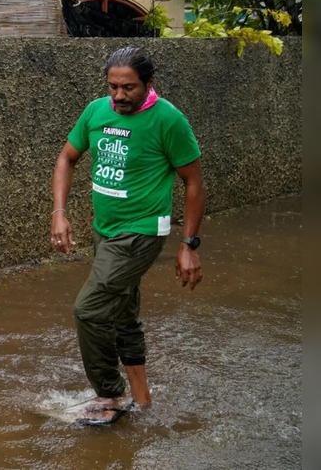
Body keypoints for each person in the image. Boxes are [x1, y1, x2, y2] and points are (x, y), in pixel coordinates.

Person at [50, 46, 206, 426]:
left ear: (149, 83)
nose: (119, 96)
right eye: (113, 87)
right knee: (122, 315)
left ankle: (110, 392)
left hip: (141, 233)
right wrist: (59, 213)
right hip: (104, 231)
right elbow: (66, 158)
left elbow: (194, 182)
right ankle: (142, 398)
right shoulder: (96, 111)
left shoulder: (168, 121)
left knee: (88, 310)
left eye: (129, 88)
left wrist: (188, 245)